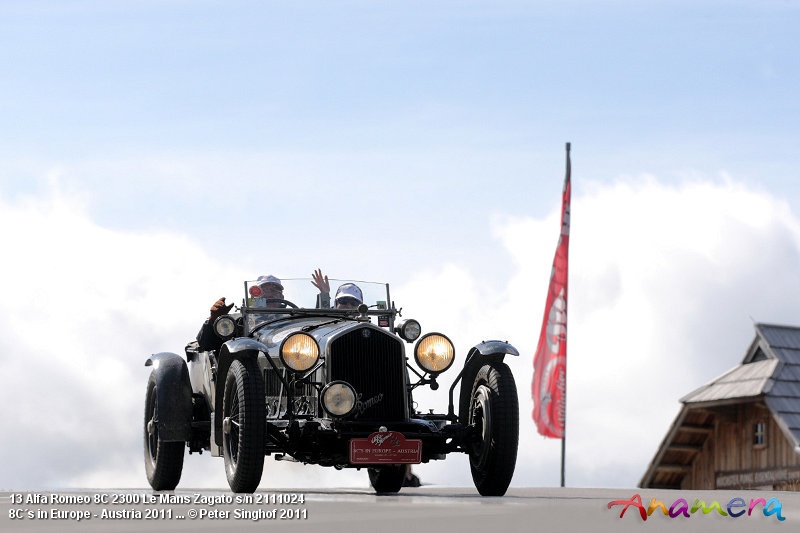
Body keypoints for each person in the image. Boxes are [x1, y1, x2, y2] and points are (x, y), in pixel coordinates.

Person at [196, 274, 284, 351]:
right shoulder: (237, 320)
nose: (269, 295)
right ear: (254, 296)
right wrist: (214, 321)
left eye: (274, 291)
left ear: (281, 297)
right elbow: (206, 345)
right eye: (263, 291)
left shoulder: (292, 319)